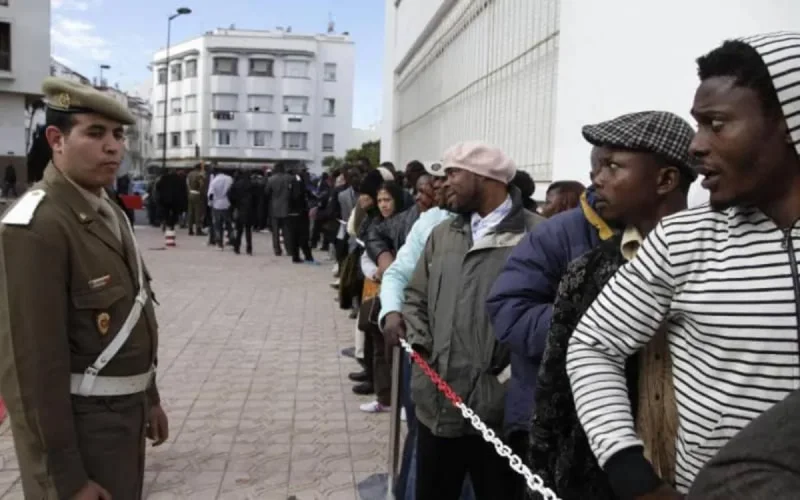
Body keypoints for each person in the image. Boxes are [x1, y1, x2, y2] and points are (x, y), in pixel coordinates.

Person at [566, 32, 800, 498]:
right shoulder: (684, 241)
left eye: (716, 124)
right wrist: (634, 475)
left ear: (790, 124)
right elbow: (592, 345)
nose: (695, 146)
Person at [0, 77, 167, 500]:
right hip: (79, 433)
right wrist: (64, 479)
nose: (114, 147)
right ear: (56, 139)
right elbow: (29, 371)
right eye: (95, 133)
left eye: (118, 135)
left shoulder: (107, 209)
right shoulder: (37, 226)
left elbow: (132, 315)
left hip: (122, 421)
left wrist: (149, 397)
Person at [528, 111, 696, 500]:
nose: (596, 179)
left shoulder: (717, 266)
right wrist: (541, 477)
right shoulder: (588, 271)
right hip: (604, 481)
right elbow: (555, 391)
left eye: (612, 166)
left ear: (666, 180)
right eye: (595, 166)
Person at [403, 141, 543, 499]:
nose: (442, 184)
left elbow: (546, 322)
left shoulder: (537, 236)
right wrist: (422, 354)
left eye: (452, 173)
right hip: (437, 407)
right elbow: (415, 297)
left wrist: (507, 381)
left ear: (485, 177)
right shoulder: (442, 234)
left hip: (498, 414)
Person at [264, 161, 293, 256]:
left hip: (274, 207)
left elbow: (266, 192)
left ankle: (277, 250)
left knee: (275, 231)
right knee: (287, 231)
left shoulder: (271, 179)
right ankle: (289, 249)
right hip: (287, 207)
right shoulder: (290, 178)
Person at [229, 170, 257, 255]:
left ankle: (237, 247)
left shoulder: (237, 184)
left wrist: (234, 205)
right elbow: (256, 198)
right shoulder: (252, 185)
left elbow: (230, 195)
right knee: (248, 230)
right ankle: (249, 248)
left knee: (239, 230)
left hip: (239, 208)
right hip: (249, 209)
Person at [208, 168, 233, 250]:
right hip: (227, 203)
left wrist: (210, 203)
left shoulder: (214, 181)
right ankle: (232, 239)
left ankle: (219, 243)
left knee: (218, 225)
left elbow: (211, 194)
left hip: (217, 204)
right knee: (229, 223)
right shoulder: (229, 179)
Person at [186, 163, 206, 236]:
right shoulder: (199, 175)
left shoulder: (189, 174)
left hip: (190, 193)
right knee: (198, 212)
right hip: (197, 194)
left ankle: (190, 229)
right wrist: (201, 192)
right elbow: (201, 185)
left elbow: (187, 184)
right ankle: (198, 229)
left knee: (190, 212)